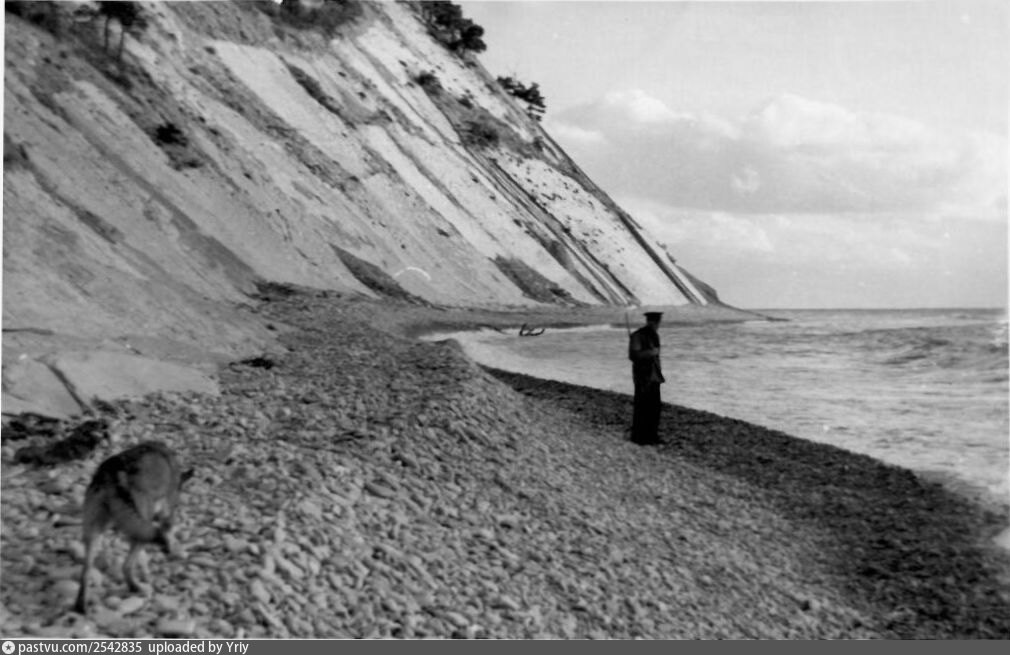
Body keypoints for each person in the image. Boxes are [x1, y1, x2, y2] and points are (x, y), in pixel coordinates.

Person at [628, 311, 665, 444]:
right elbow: (634, 356)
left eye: (657, 322)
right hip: (643, 377)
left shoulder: (654, 335)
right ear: (651, 322)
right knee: (642, 406)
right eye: (656, 322)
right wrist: (651, 353)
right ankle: (639, 437)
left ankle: (651, 436)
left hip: (654, 376)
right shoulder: (638, 335)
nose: (657, 325)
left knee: (654, 407)